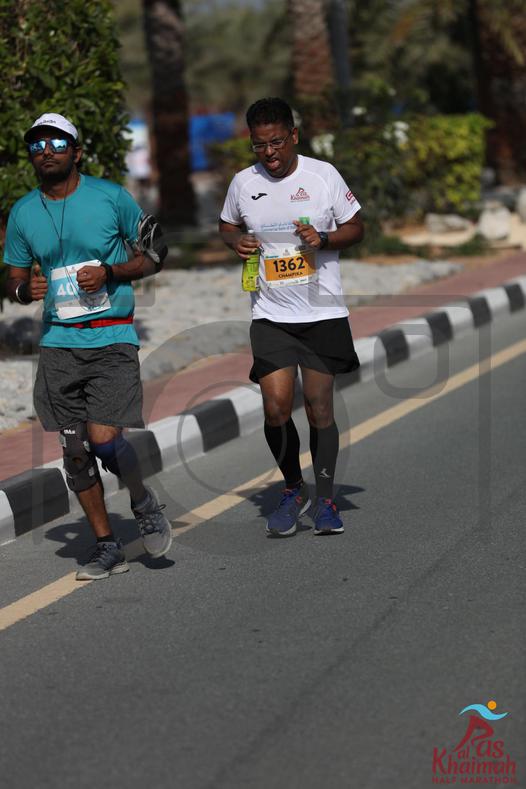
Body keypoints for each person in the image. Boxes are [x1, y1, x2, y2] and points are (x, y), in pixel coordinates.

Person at [4, 112, 172, 579]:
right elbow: (13, 278)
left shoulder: (111, 197)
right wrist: (24, 290)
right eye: (37, 145)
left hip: (111, 335)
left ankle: (142, 501)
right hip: (59, 343)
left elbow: (156, 252)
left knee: (104, 440)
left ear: (76, 152)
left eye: (57, 143)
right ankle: (106, 545)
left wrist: (111, 272)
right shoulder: (23, 212)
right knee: (75, 450)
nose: (46, 151)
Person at [219, 97, 364, 537]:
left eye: (277, 142)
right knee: (275, 407)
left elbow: (357, 227)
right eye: (260, 145)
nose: (270, 153)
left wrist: (323, 239)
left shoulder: (323, 176)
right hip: (271, 314)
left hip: (322, 313)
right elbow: (227, 224)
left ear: (294, 136)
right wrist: (237, 241)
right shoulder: (243, 183)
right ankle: (293, 489)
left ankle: (326, 500)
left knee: (319, 407)